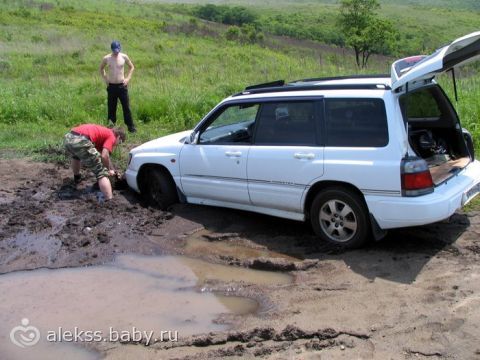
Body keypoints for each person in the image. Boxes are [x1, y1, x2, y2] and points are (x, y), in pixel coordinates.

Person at [64, 124, 126, 200]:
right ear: (118, 137)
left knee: (76, 156)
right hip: (81, 140)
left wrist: (113, 169)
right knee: (101, 171)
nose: (116, 145)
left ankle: (77, 178)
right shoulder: (112, 136)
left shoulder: (104, 133)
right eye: (119, 143)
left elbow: (106, 156)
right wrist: (107, 171)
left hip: (69, 137)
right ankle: (109, 199)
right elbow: (104, 156)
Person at [99, 40, 137, 133]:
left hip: (122, 86)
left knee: (126, 107)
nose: (116, 52)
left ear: (120, 48)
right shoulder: (107, 58)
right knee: (111, 107)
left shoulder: (124, 57)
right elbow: (101, 68)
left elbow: (131, 67)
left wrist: (128, 78)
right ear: (111, 49)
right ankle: (111, 128)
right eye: (114, 50)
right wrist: (105, 79)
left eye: (117, 50)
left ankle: (131, 127)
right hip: (111, 86)